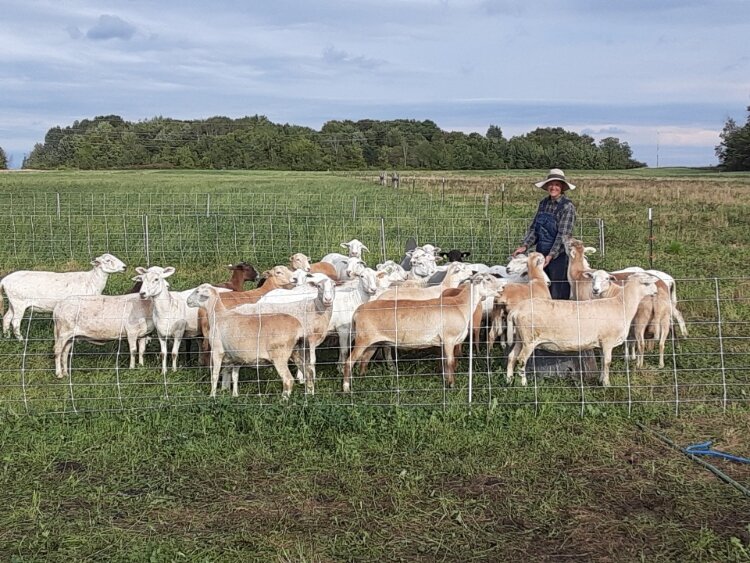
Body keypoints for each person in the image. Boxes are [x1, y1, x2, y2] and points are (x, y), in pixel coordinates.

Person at [512, 168, 577, 300]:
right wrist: (525, 246)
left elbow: (563, 235)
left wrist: (551, 255)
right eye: (551, 184)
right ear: (547, 186)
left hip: (558, 256)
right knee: (539, 290)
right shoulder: (543, 204)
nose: (553, 187)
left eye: (557, 184)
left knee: (557, 292)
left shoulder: (567, 207)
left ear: (562, 187)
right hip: (540, 254)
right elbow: (535, 229)